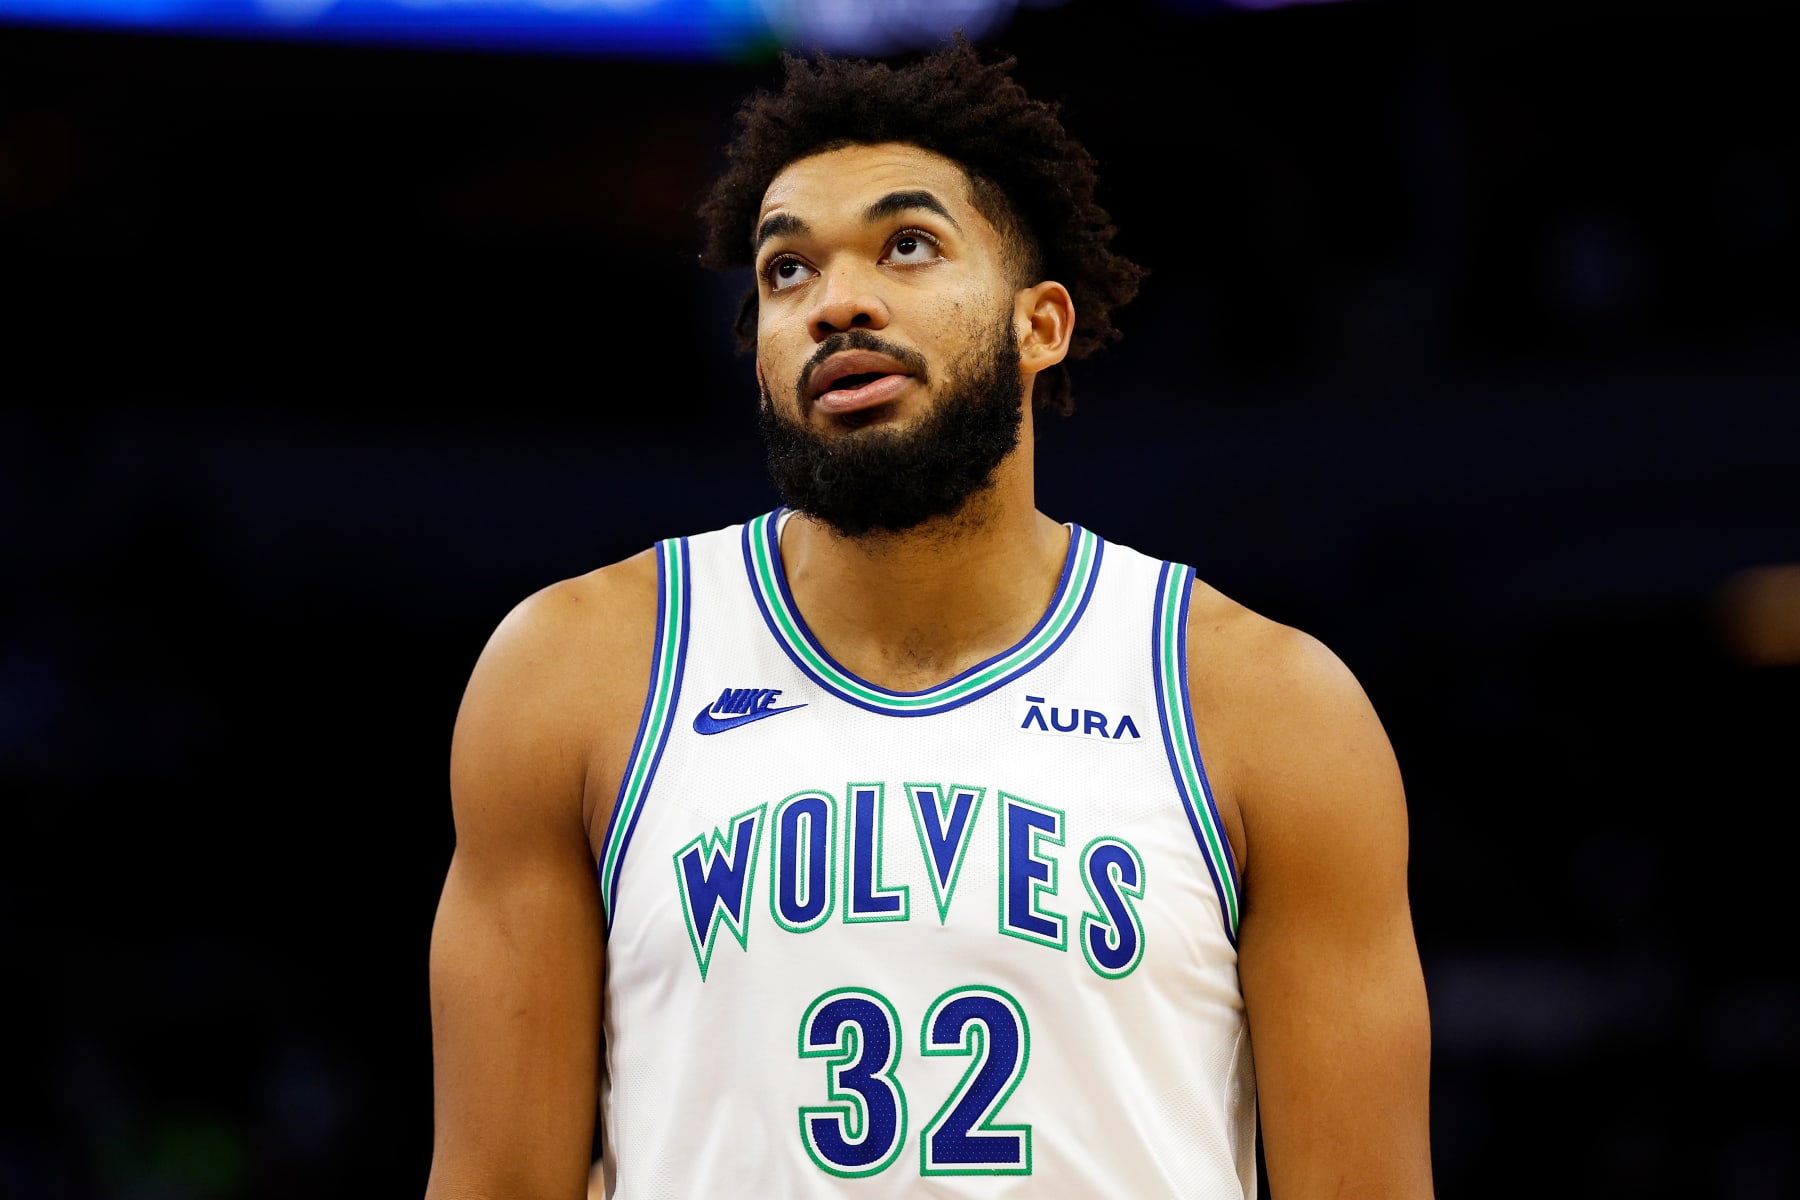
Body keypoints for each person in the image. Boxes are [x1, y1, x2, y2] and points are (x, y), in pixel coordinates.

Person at [425, 35, 1434, 1200]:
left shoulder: (1265, 705)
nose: (836, 301)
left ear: (1039, 323)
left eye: (908, 247)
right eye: (785, 271)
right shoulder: (577, 672)